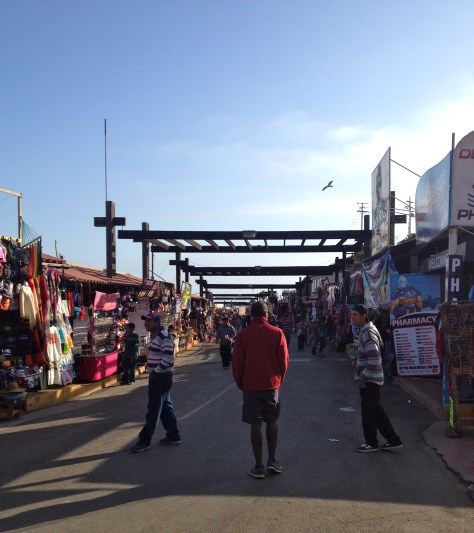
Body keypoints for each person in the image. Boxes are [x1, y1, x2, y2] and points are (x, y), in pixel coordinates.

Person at [232, 301, 289, 479]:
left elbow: (237, 364)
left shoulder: (242, 336)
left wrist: (241, 383)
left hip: (251, 385)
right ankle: (272, 461)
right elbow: (284, 361)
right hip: (272, 385)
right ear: (266, 314)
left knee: (255, 424)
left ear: (250, 315)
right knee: (272, 421)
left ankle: (258, 466)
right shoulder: (277, 333)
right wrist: (278, 379)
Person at [351, 304, 402, 453]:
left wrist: (362, 379)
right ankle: (393, 439)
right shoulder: (367, 330)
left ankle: (371, 442)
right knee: (376, 412)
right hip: (371, 379)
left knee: (369, 413)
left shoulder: (368, 333)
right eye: (352, 314)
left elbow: (374, 361)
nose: (352, 317)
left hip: (370, 381)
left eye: (355, 314)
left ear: (363, 316)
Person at [130, 312, 181, 452]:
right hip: (159, 377)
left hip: (160, 378)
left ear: (157, 323)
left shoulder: (164, 336)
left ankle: (144, 440)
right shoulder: (155, 336)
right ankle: (174, 435)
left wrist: (156, 371)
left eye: (149, 321)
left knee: (153, 410)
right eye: (145, 321)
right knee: (166, 408)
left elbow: (169, 357)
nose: (146, 324)